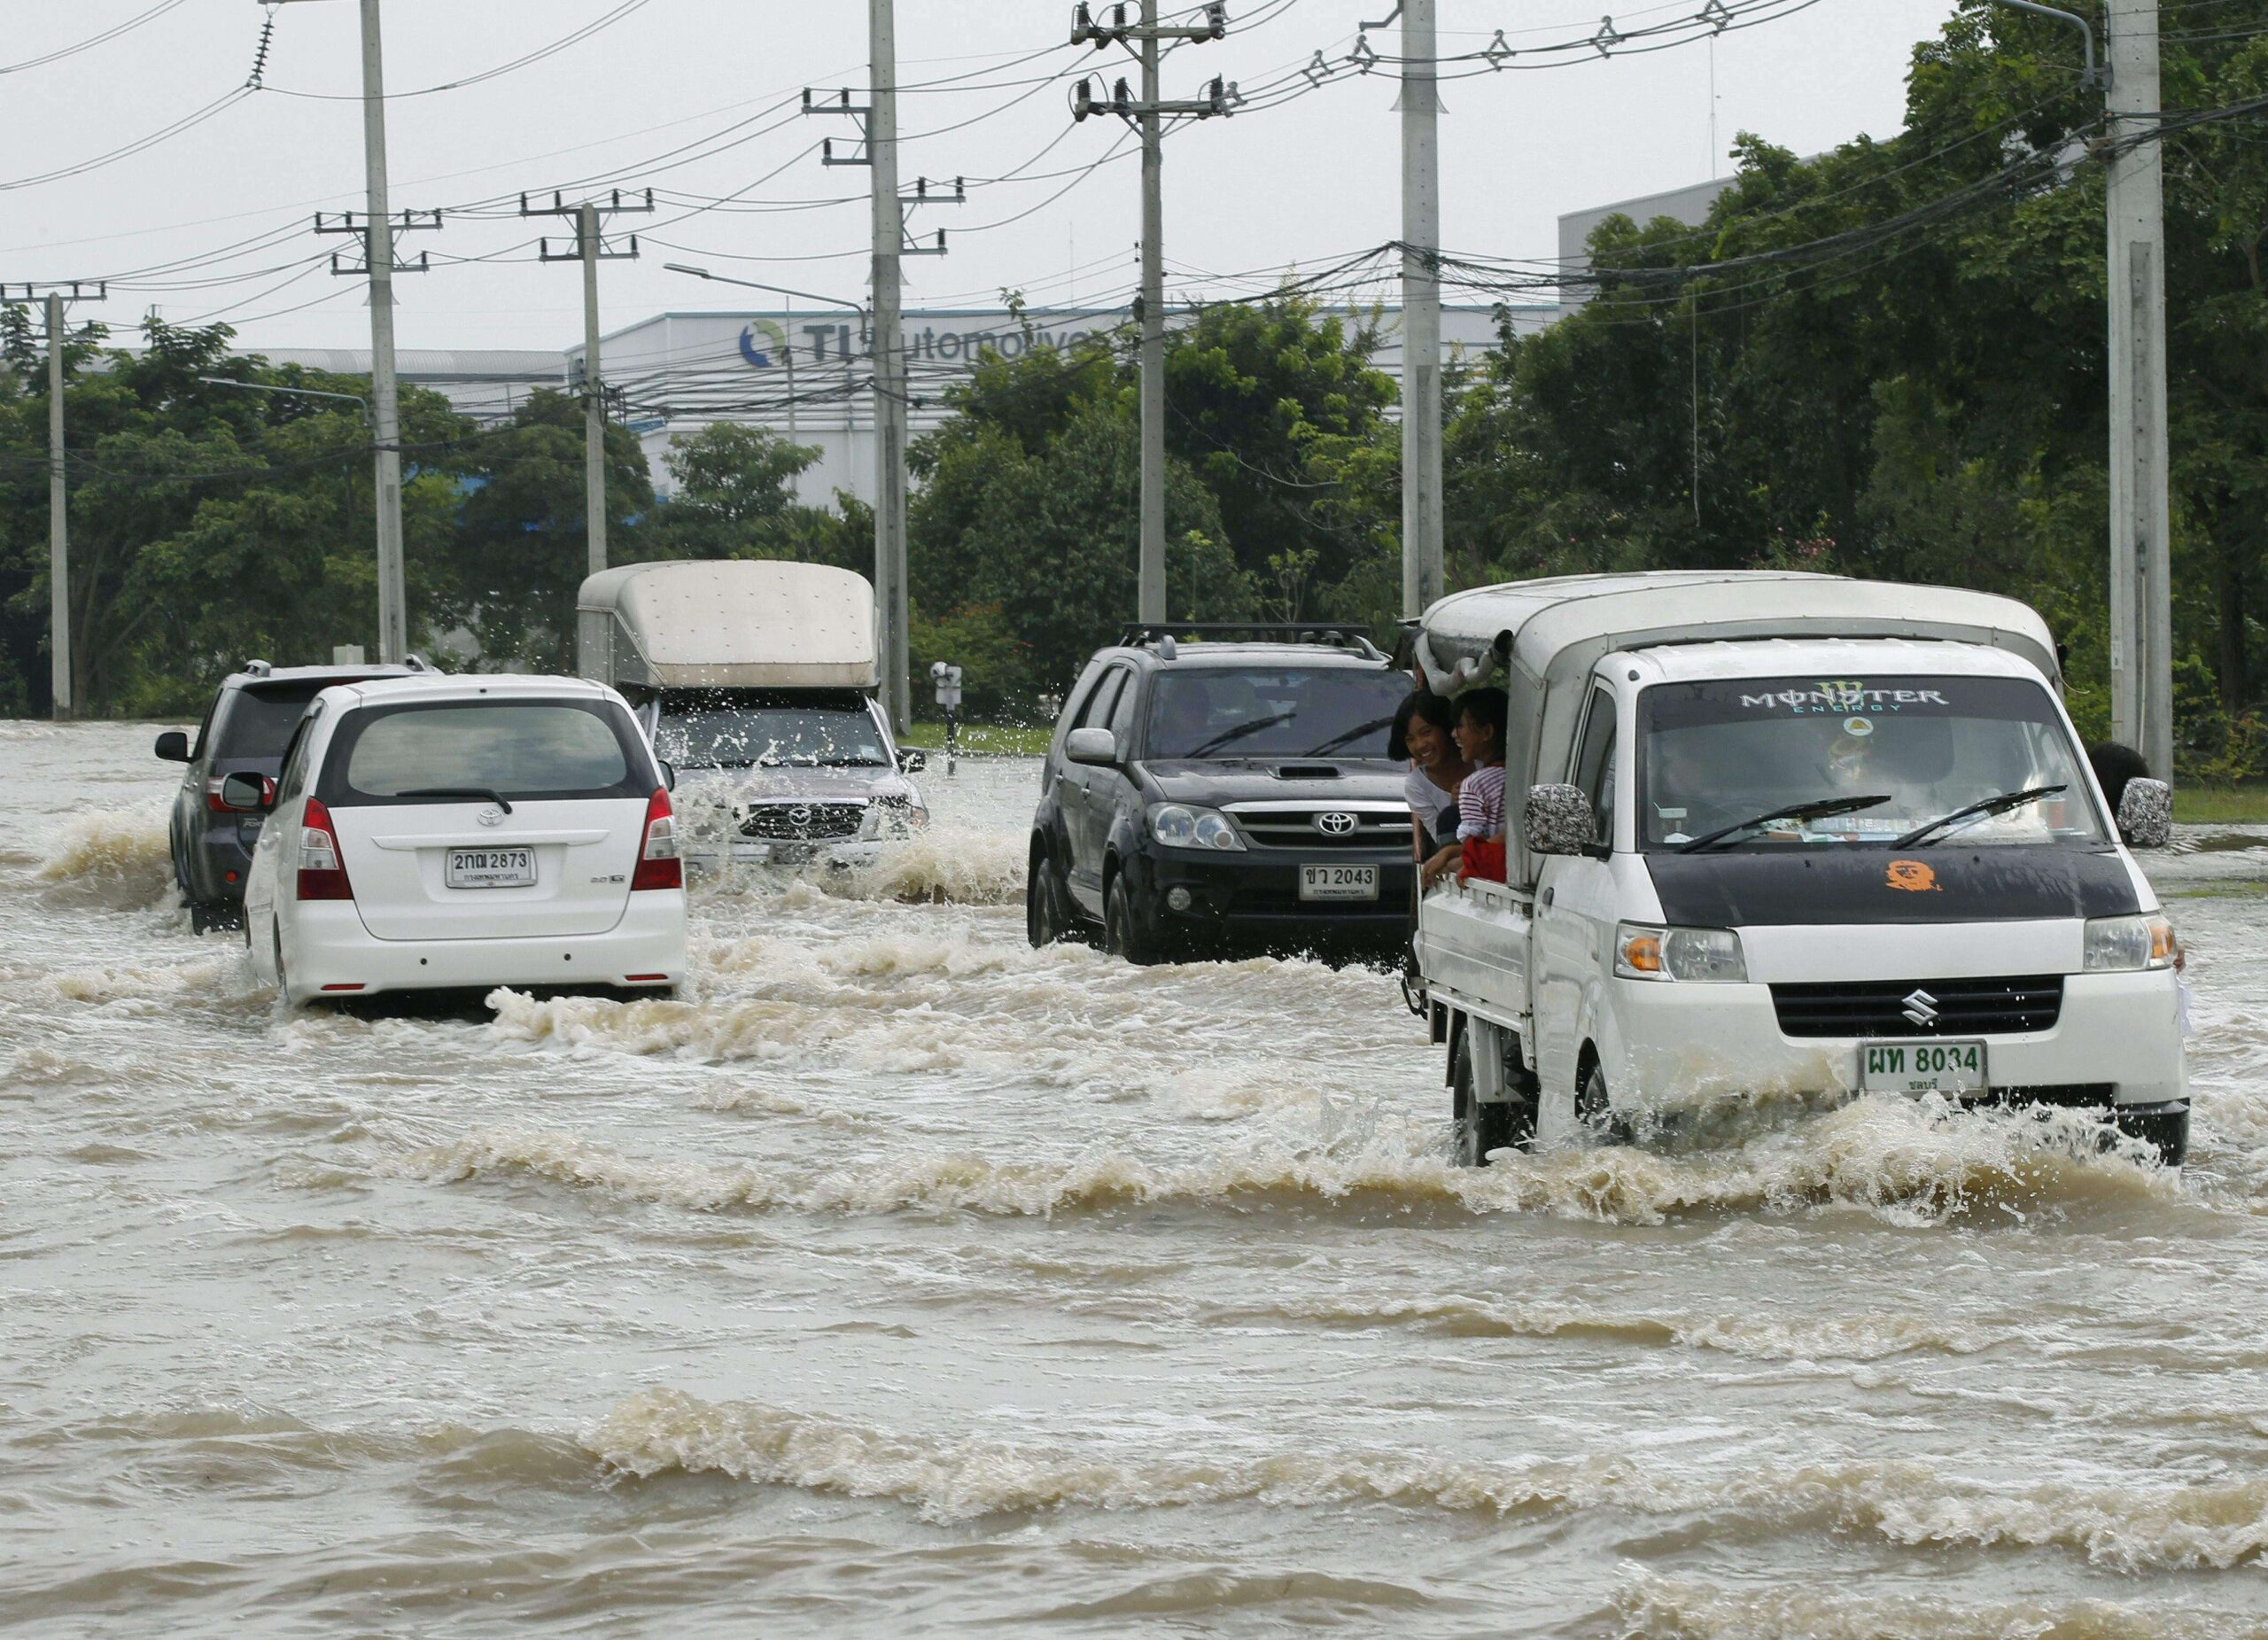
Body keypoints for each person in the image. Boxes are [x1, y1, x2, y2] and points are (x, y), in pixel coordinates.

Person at [1391, 691, 1469, 889]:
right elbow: (1443, 840)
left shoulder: (1480, 759)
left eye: (1426, 732)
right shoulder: (1416, 785)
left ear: (1446, 727)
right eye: (1410, 739)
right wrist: (1458, 809)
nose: (1420, 745)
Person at [1451, 689, 1510, 882]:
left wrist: (1448, 863)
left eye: (1460, 726)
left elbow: (1472, 852)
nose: (1454, 734)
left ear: (1487, 732)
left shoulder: (1474, 785)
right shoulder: (1524, 775)